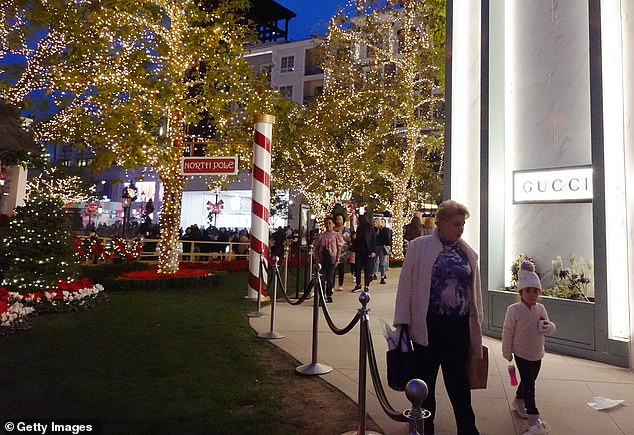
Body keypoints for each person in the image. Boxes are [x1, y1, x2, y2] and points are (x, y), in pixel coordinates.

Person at [393, 200, 483, 435]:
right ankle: (424, 425)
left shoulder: (466, 252)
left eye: (463, 224)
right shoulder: (419, 247)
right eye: (456, 224)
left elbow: (473, 291)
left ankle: (467, 427)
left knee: (458, 381)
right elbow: (406, 286)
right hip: (429, 323)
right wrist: (402, 321)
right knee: (425, 379)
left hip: (458, 325)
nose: (460, 228)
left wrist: (476, 321)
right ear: (440, 223)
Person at [502, 260, 556, 435]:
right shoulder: (514, 310)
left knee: (529, 380)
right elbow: (508, 331)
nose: (532, 295)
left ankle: (519, 399)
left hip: (537, 352)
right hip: (521, 353)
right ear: (521, 292)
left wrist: (550, 327)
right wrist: (507, 350)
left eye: (535, 291)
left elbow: (547, 325)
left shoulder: (541, 308)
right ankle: (534, 418)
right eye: (528, 291)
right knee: (530, 384)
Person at [313, 216, 344, 303]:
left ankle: (329, 294)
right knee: (322, 278)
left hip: (332, 260)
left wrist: (337, 259)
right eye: (326, 223)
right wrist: (317, 258)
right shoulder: (321, 236)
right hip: (322, 260)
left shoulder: (337, 235)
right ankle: (322, 296)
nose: (328, 225)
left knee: (330, 279)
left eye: (330, 223)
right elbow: (316, 247)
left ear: (333, 224)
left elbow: (339, 248)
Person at [351, 214, 376, 293]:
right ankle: (358, 284)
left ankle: (366, 285)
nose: (357, 221)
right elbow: (357, 240)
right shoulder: (359, 229)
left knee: (367, 269)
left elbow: (373, 240)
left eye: (358, 220)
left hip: (367, 251)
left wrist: (373, 251)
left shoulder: (369, 228)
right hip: (359, 251)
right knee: (357, 268)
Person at [333, 213, 351, 291]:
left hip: (343, 252)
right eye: (337, 219)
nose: (338, 221)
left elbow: (348, 239)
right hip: (334, 251)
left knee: (341, 269)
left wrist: (340, 235)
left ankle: (340, 284)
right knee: (333, 269)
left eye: (340, 219)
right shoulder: (332, 229)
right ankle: (332, 285)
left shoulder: (346, 230)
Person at [376, 217, 392, 284]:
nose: (374, 224)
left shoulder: (384, 230)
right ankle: (373, 274)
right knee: (374, 262)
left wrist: (388, 246)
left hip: (382, 247)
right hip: (376, 247)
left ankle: (382, 276)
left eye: (375, 222)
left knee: (382, 263)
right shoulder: (373, 230)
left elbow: (387, 239)